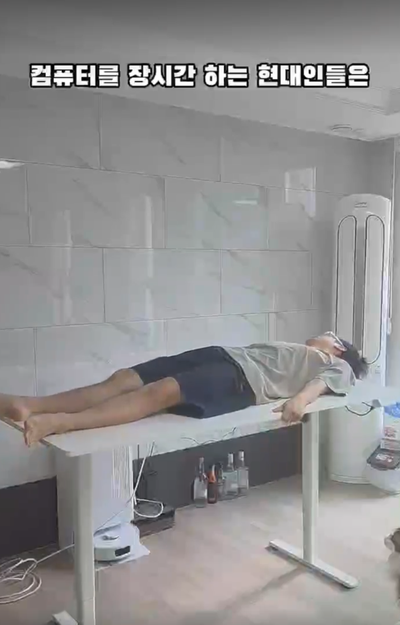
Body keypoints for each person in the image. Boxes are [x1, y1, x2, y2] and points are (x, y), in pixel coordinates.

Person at [0, 331, 368, 447]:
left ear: (338, 347)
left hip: (242, 379)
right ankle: (30, 405)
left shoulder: (337, 365)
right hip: (223, 354)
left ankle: (56, 423)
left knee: (158, 392)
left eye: (329, 334)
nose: (321, 334)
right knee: (124, 378)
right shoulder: (304, 352)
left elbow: (324, 383)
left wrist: (299, 401)